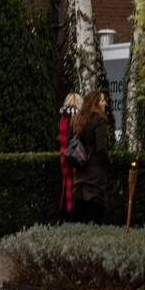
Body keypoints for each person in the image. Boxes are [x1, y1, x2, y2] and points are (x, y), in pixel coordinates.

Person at [72, 90, 111, 224]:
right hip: (95, 177)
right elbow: (101, 148)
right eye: (102, 100)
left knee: (79, 218)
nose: (105, 103)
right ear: (95, 103)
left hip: (80, 172)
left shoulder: (79, 118)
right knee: (94, 219)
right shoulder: (100, 119)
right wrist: (108, 162)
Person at [57, 92, 82, 222]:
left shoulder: (62, 120)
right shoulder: (77, 120)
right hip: (75, 160)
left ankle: (66, 215)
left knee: (66, 190)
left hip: (64, 160)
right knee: (75, 192)